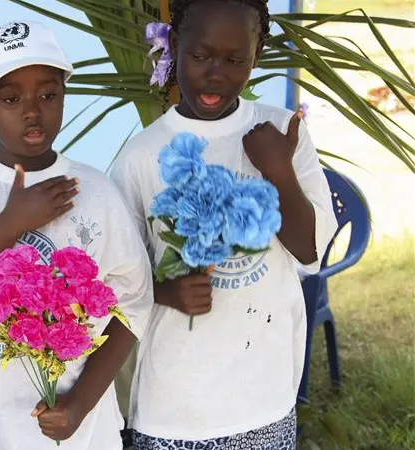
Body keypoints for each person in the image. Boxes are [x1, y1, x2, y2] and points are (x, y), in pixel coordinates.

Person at [0, 20, 153, 450]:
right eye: (11, 98)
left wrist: (78, 404)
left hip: (76, 435)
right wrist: (9, 225)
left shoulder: (96, 192)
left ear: (64, 96)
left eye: (48, 95)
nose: (32, 111)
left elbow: (131, 306)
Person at [108, 1, 338, 449]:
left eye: (235, 60)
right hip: (175, 406)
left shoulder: (283, 133)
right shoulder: (142, 156)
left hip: (264, 396)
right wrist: (166, 290)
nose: (216, 74)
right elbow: (115, 279)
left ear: (257, 53)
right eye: (199, 56)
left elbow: (309, 251)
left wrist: (279, 171)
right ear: (174, 45)